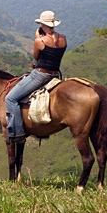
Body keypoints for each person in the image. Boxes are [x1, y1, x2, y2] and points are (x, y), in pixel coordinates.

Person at [5, 10, 67, 143]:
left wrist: (37, 38)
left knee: (10, 98)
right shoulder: (63, 38)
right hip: (55, 74)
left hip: (40, 75)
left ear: (43, 25)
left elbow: (36, 56)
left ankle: (17, 133)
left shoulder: (40, 41)